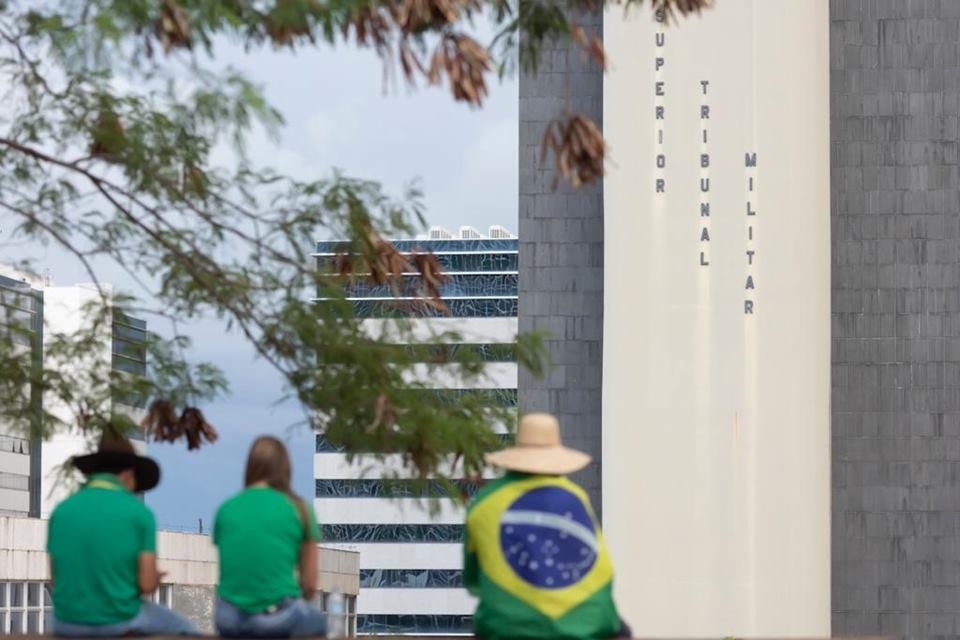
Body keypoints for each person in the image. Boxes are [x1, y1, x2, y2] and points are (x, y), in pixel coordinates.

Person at [464, 413, 629, 640]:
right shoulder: (576, 497)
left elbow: (472, 580)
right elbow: (600, 567)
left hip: (508, 628)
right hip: (583, 624)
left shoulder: (485, 503)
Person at [47, 432, 198, 637]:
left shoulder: (61, 511)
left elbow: (55, 581)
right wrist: (153, 577)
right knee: (186, 628)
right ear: (128, 474)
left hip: (66, 623)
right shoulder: (139, 513)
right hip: (118, 620)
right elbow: (146, 585)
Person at [213, 435, 326, 637]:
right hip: (279, 617)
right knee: (320, 621)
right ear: (285, 468)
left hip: (229, 618)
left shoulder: (226, 509)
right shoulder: (300, 509)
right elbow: (309, 584)